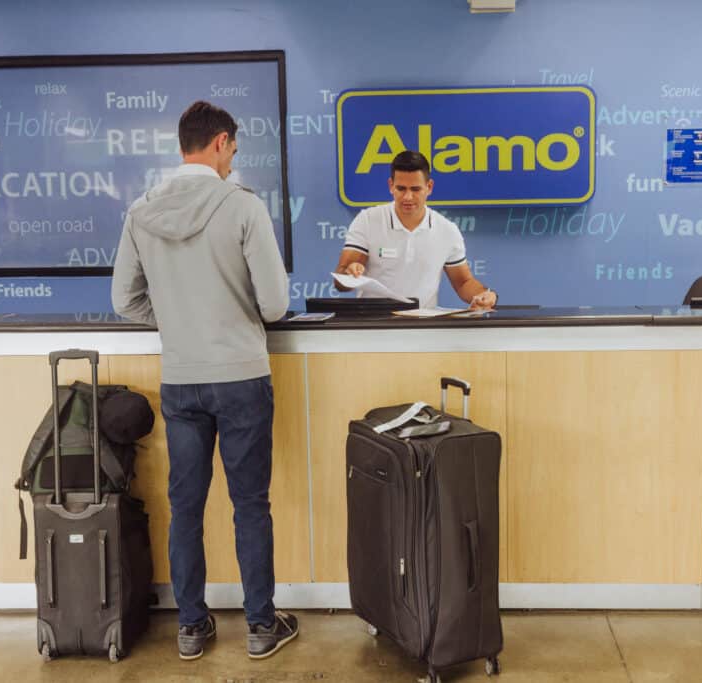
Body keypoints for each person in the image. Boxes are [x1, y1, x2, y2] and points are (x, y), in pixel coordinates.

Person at [112, 100, 297, 662]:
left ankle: (191, 627)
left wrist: (178, 321)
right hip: (241, 376)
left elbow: (125, 302)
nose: (232, 159)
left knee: (185, 507)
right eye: (233, 149)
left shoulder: (141, 212)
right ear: (219, 143)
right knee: (250, 505)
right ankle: (261, 626)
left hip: (181, 378)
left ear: (182, 145)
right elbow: (275, 304)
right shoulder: (243, 206)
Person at [333, 150, 498, 310]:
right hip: (373, 322)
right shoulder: (367, 220)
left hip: (423, 324)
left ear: (429, 187)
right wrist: (350, 274)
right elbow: (340, 282)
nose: (408, 197)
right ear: (391, 186)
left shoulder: (447, 230)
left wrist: (485, 295)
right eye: (401, 188)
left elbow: (463, 283)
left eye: (415, 189)